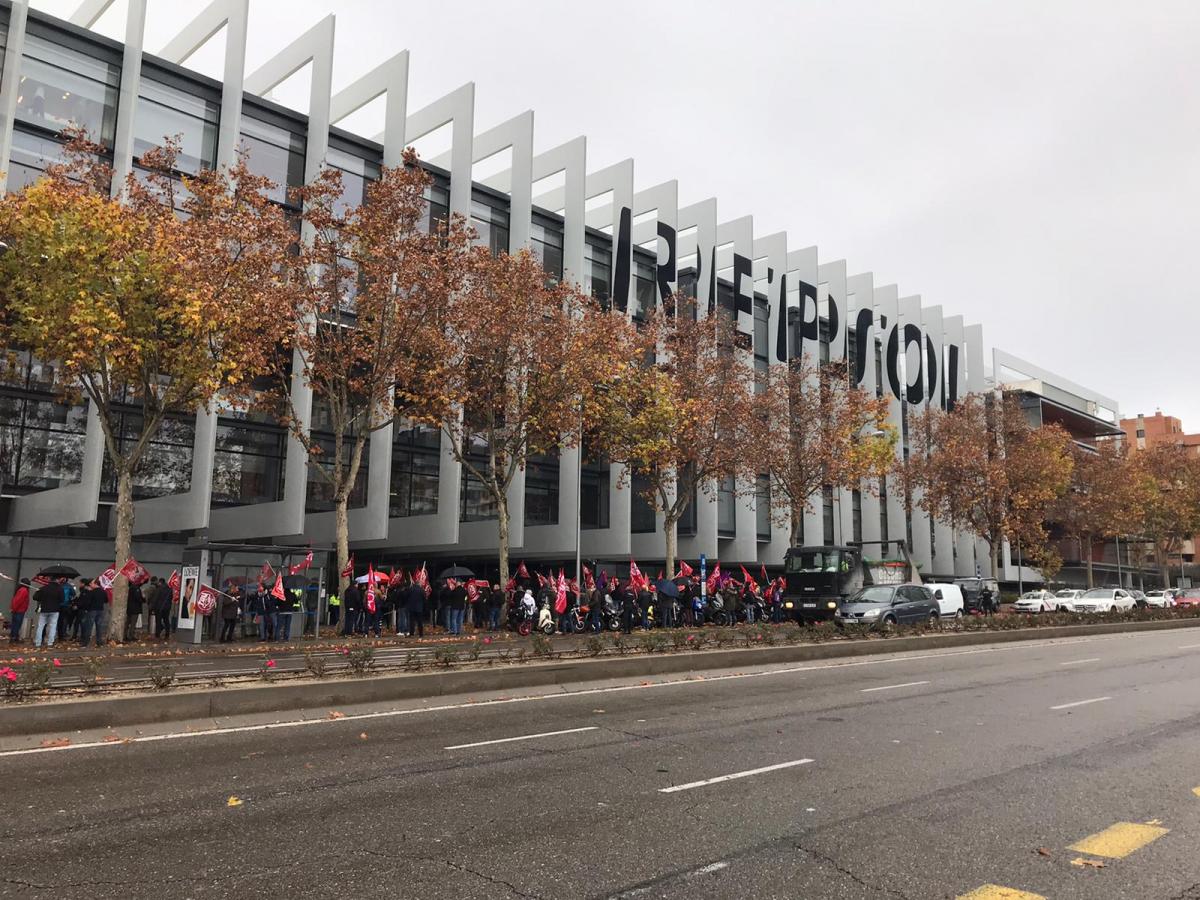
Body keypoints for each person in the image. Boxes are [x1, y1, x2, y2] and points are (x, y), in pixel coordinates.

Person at [32, 578, 64, 649]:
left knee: (40, 626)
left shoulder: (43, 588)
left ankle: (38, 643)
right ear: (57, 580)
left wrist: (38, 592)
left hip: (44, 610)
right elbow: (62, 600)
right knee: (52, 626)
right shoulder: (60, 589)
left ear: (50, 580)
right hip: (55, 610)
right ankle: (50, 643)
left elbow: (35, 597)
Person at [78, 578, 108, 647]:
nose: (90, 585)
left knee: (89, 626)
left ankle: (86, 642)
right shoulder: (103, 591)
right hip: (100, 610)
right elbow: (106, 600)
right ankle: (99, 642)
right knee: (99, 626)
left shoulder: (92, 592)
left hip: (92, 610)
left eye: (91, 583)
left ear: (95, 584)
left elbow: (87, 602)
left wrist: (86, 609)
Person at [9, 578, 30, 643]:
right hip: (19, 610)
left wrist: (13, 608)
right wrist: (14, 609)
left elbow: (16, 600)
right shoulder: (24, 590)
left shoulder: (20, 590)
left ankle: (14, 637)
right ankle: (14, 638)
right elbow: (18, 601)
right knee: (17, 624)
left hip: (17, 609)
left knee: (15, 624)